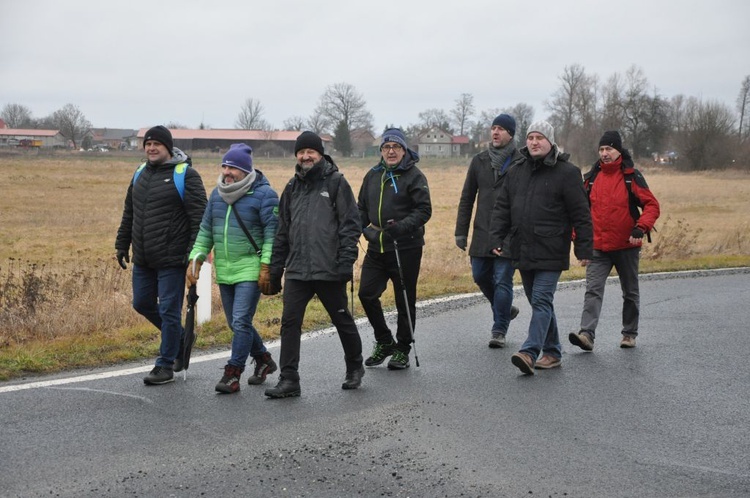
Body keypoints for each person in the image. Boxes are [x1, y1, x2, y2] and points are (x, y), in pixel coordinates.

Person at [262, 131, 364, 398]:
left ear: (320, 154)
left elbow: (350, 226)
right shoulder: (291, 188)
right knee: (289, 323)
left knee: (341, 319)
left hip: (329, 268)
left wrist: (345, 262)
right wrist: (275, 269)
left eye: (311, 152)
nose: (306, 156)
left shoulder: (336, 183)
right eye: (301, 152)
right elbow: (282, 231)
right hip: (297, 269)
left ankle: (355, 367)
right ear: (296, 155)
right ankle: (289, 379)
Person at [490, 121, 592, 375]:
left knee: (541, 298)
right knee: (539, 303)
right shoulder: (516, 171)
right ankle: (553, 351)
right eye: (531, 137)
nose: (534, 142)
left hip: (552, 248)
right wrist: (496, 239)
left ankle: (529, 351)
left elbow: (581, 215)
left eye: (540, 137)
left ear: (551, 142)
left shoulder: (567, 173)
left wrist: (584, 249)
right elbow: (502, 208)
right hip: (522, 248)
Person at [115, 125, 207, 385]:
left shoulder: (185, 175)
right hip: (144, 257)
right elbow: (129, 212)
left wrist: (193, 254)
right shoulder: (140, 173)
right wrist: (122, 243)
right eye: (148, 144)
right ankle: (180, 337)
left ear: (168, 147)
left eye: (157, 144)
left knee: (168, 310)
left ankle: (165, 364)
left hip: (172, 258)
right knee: (141, 303)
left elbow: (199, 217)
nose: (151, 148)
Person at [187, 143, 279, 393]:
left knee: (240, 321)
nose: (227, 172)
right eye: (225, 166)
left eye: (233, 168)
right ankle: (263, 359)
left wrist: (266, 266)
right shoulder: (217, 194)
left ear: (246, 171)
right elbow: (206, 230)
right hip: (226, 270)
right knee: (237, 323)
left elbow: (272, 234)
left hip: (251, 268)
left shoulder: (264, 195)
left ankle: (233, 373)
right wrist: (196, 256)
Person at [569, 131, 660, 351]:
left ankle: (629, 334)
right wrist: (579, 242)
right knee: (593, 290)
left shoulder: (631, 176)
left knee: (630, 291)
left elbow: (652, 205)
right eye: (601, 149)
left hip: (627, 246)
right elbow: (578, 213)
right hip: (597, 247)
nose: (604, 153)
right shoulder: (590, 178)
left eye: (609, 149)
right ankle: (586, 335)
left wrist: (641, 227)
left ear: (619, 151)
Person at [358, 128, 432, 370]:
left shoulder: (414, 176)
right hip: (376, 246)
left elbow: (423, 211)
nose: (391, 151)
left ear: (404, 150)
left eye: (396, 147)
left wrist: (400, 228)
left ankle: (402, 348)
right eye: (386, 147)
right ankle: (384, 341)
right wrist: (359, 231)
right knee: (366, 294)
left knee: (404, 299)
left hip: (406, 247)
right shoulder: (372, 175)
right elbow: (360, 209)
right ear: (381, 151)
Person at [455, 114, 521, 349]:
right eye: (493, 128)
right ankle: (505, 308)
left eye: (501, 129)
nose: (495, 132)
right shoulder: (479, 160)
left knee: (503, 280)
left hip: (508, 233)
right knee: (480, 276)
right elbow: (467, 197)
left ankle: (499, 329)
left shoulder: (521, 161)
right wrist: (460, 231)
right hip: (482, 231)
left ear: (511, 134)